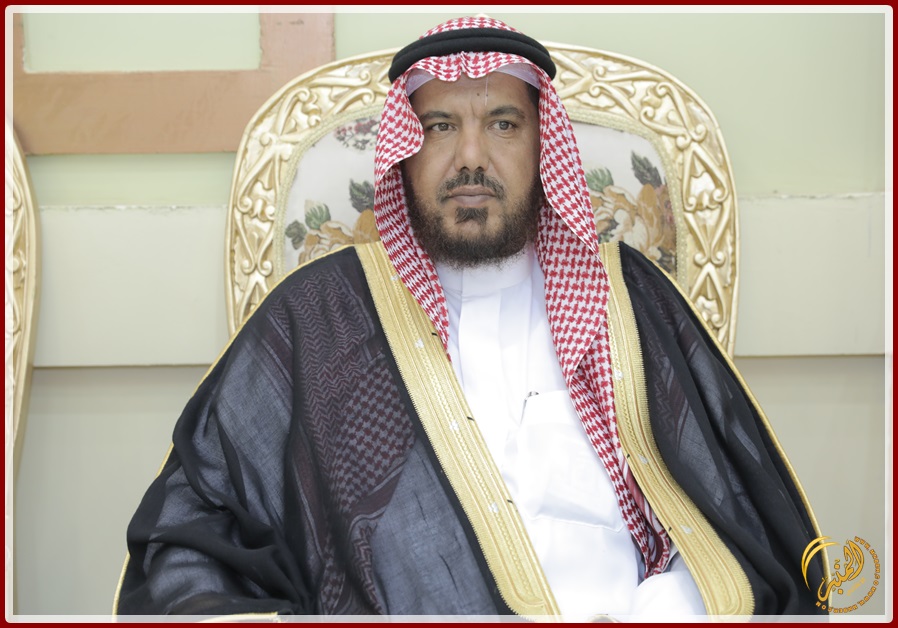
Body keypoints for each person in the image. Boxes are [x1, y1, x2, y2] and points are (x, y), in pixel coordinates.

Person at [115, 16, 827, 619]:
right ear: (403, 151)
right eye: (439, 127)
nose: (471, 158)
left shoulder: (629, 299)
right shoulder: (320, 319)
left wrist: (660, 611)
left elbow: (738, 513)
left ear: (543, 146)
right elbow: (194, 526)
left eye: (504, 124)